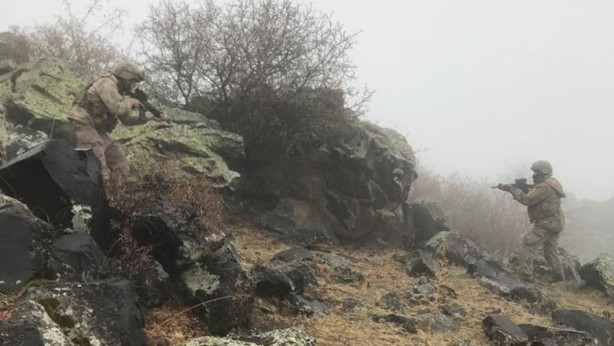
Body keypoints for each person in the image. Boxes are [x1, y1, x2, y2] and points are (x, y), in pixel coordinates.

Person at [68, 62, 165, 185]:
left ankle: (113, 196)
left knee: (121, 163)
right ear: (125, 76)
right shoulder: (107, 83)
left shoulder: (119, 93)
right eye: (132, 81)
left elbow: (127, 120)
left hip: (98, 131)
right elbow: (117, 108)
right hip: (82, 125)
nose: (133, 85)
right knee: (96, 159)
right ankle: (88, 196)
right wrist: (130, 102)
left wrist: (148, 118)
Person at [497, 160, 566, 283]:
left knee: (527, 245)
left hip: (545, 224)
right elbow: (536, 195)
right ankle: (558, 276)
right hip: (555, 223)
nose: (534, 175)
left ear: (543, 173)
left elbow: (527, 199)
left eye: (536, 172)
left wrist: (513, 189)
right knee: (550, 250)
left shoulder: (544, 187)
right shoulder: (552, 183)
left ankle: (526, 277)